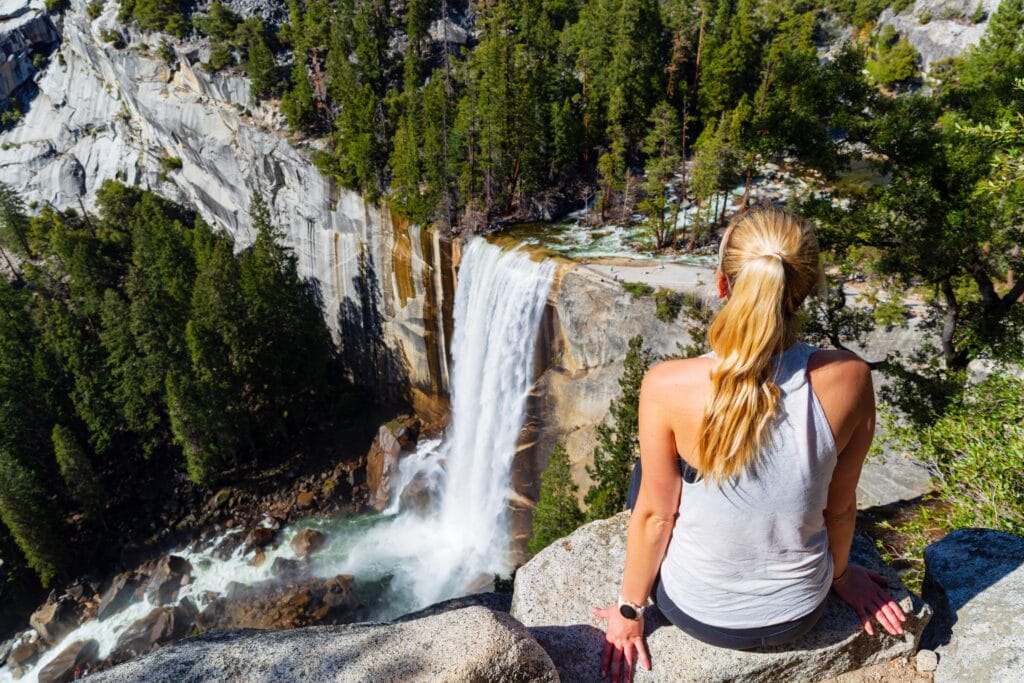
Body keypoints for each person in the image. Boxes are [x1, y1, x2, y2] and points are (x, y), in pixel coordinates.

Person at [591, 209, 906, 682]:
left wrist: (629, 611)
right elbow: (839, 510)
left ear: (723, 285)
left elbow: (657, 516)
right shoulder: (850, 378)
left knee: (648, 481)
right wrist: (841, 576)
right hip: (802, 612)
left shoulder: (668, 385)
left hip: (696, 613)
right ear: (806, 290)